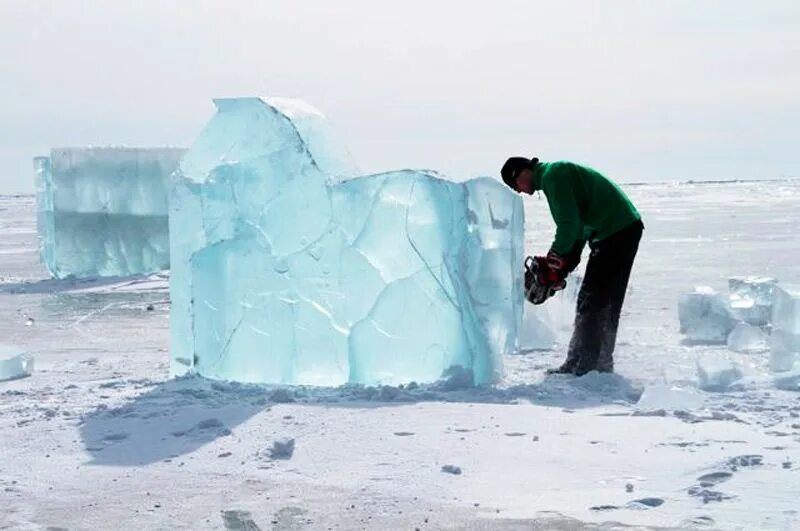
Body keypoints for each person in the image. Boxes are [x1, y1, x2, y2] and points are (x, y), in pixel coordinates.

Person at [501, 157, 643, 376]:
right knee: (594, 301)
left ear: (521, 173)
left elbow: (569, 224)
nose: (518, 191)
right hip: (614, 232)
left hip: (617, 231)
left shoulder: (554, 176)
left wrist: (554, 259)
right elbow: (578, 228)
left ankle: (588, 365)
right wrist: (564, 264)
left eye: (515, 185)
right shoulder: (554, 176)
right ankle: (584, 361)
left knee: (595, 301)